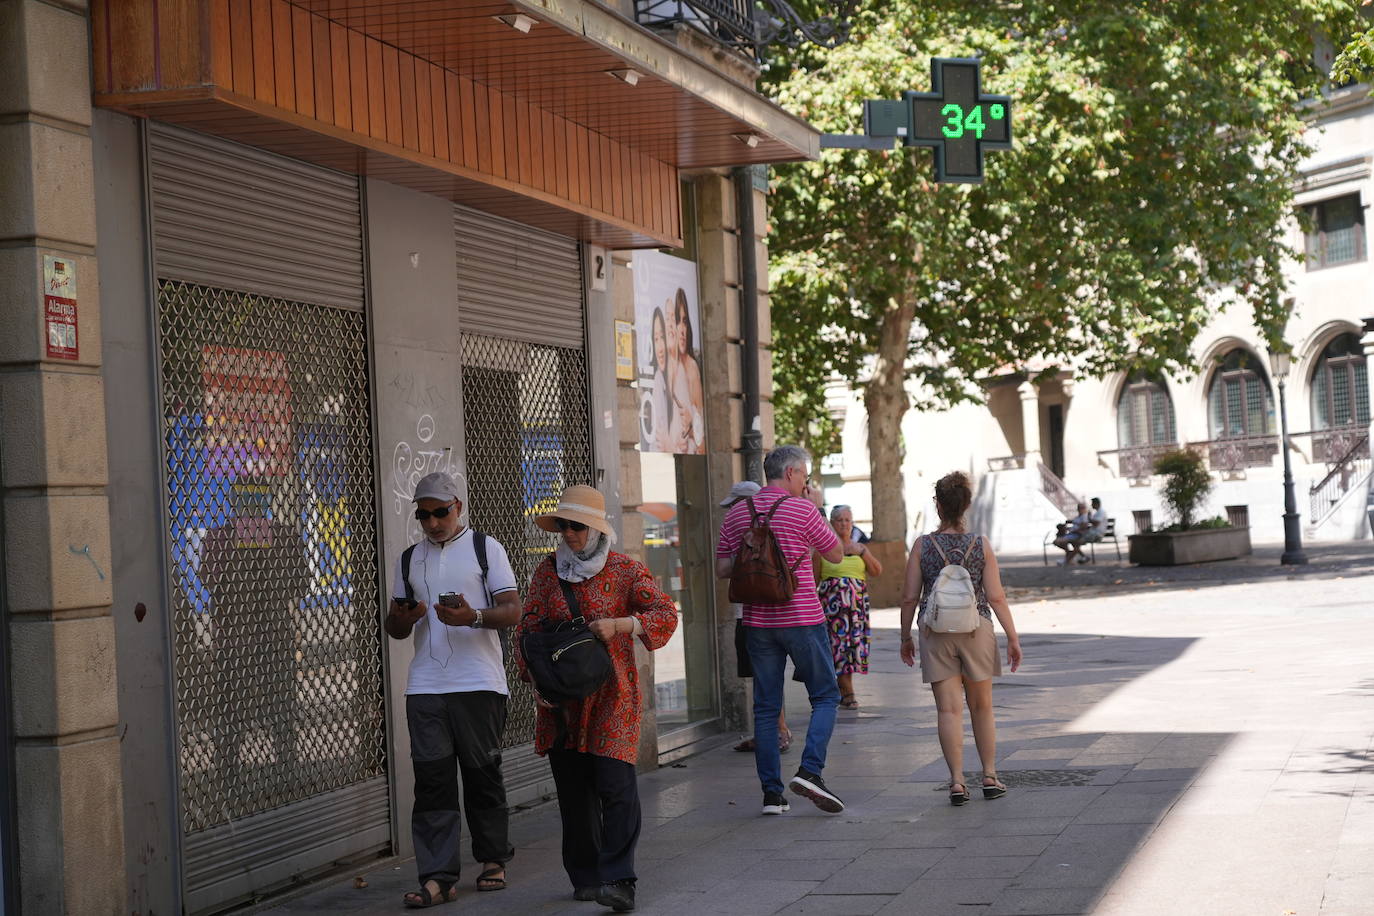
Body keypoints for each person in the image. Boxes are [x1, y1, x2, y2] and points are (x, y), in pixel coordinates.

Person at [515, 485, 678, 912]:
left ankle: (620, 878)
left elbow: (664, 612)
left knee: (615, 785)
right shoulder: (547, 573)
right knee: (574, 792)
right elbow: (527, 629)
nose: (568, 533)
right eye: (563, 525)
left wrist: (622, 625)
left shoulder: (626, 570)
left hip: (613, 695)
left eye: (576, 526)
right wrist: (535, 682)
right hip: (563, 701)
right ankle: (586, 877)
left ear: (595, 528)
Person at [384, 472, 521, 908]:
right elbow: (395, 628)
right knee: (432, 781)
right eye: (424, 515)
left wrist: (473, 618)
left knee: (482, 774)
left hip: (478, 682)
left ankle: (493, 859)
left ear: (457, 506)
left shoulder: (486, 548)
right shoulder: (409, 559)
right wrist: (407, 617)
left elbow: (513, 610)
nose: (432, 522)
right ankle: (438, 877)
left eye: (440, 512)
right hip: (425, 685)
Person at [715, 445, 846, 817]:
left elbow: (723, 569)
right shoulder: (803, 509)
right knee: (825, 696)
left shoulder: (739, 513)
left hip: (757, 623)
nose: (806, 482)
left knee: (767, 707)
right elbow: (835, 554)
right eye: (804, 475)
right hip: (803, 619)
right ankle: (810, 771)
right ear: (790, 473)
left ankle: (772, 795)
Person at [899, 472, 1023, 806]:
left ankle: (956, 782)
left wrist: (905, 636)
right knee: (982, 706)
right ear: (966, 505)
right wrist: (1012, 637)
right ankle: (989, 775)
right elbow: (996, 597)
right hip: (976, 627)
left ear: (937, 505)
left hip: (935, 632)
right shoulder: (980, 544)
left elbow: (910, 596)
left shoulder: (922, 546)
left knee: (948, 711)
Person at [721, 480, 792, 755]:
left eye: (736, 504)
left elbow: (724, 569)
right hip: (754, 613)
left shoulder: (754, 533)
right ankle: (771, 732)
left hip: (752, 615)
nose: (732, 511)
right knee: (761, 676)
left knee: (765, 677)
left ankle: (779, 731)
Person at [818, 505, 883, 709]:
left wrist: (863, 551)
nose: (844, 524)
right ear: (832, 523)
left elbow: (876, 571)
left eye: (848, 520)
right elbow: (812, 580)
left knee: (852, 651)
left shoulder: (859, 548)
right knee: (838, 649)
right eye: (839, 520)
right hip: (833, 610)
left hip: (856, 610)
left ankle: (841, 689)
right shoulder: (822, 550)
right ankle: (848, 692)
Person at [666, 288, 705, 454]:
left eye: (685, 321)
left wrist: (691, 422)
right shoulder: (670, 366)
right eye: (677, 321)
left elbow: (701, 435)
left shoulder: (691, 367)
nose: (682, 330)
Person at [644, 307, 675, 452]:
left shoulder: (672, 378)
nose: (660, 347)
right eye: (656, 339)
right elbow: (659, 443)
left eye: (662, 337)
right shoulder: (658, 380)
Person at [1052, 501, 1093, 565]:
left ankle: (1067, 560)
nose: (1080, 510)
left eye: (1082, 508)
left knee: (1060, 542)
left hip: (1077, 535)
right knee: (1060, 542)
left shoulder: (1084, 517)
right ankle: (1076, 557)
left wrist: (1074, 530)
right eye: (1079, 508)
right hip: (1072, 534)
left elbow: (1084, 526)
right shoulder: (1079, 517)